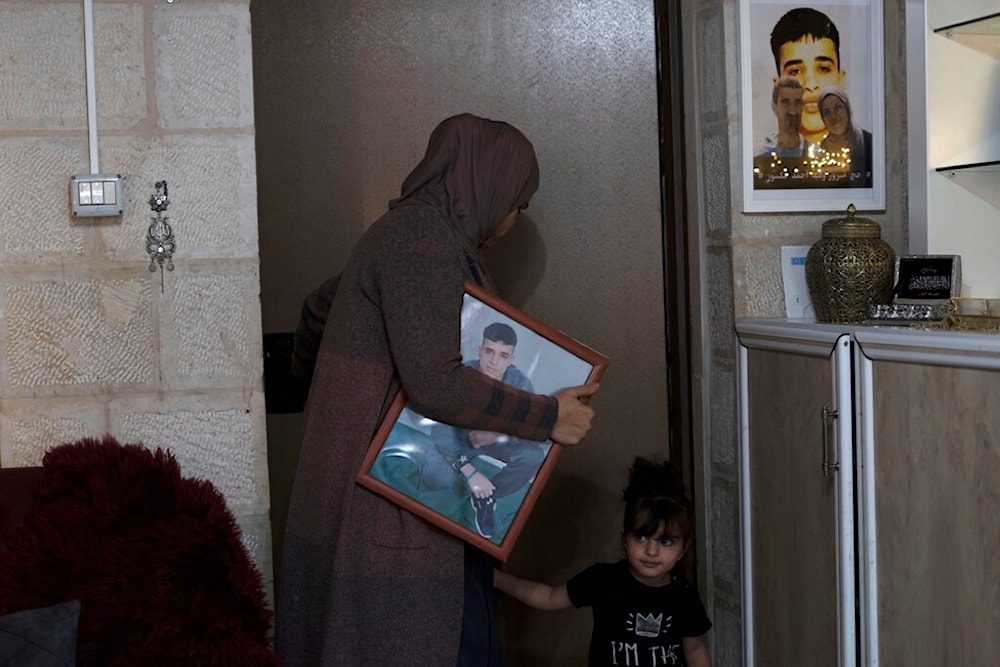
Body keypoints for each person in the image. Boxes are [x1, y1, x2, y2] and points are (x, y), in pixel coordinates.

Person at [276, 113, 601, 666]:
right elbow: (435, 382)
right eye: (518, 204)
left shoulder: (407, 235)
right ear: (486, 183)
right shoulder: (421, 239)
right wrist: (547, 417)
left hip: (394, 501)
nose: (513, 220)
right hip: (390, 512)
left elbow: (319, 306)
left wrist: (332, 400)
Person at [494, 457, 712, 667]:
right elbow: (549, 597)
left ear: (682, 549)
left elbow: (694, 649)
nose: (652, 551)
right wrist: (495, 578)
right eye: (642, 537)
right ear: (624, 538)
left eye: (665, 541)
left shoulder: (683, 594)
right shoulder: (604, 580)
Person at [421, 322, 548, 539]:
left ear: (511, 360)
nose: (494, 361)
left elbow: (534, 428)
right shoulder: (463, 375)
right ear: (480, 350)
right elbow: (439, 427)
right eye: (489, 351)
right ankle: (467, 475)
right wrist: (469, 471)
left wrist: (499, 434)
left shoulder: (520, 382)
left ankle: (487, 498)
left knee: (533, 455)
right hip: (459, 440)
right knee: (434, 480)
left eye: (503, 355)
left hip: (496, 443)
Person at [769, 7, 846, 144]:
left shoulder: (869, 152)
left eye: (823, 69)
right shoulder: (761, 161)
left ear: (841, 80)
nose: (811, 84)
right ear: (777, 87)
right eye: (795, 71)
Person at [818, 85, 872, 187]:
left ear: (847, 108)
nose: (833, 116)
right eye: (827, 112)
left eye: (838, 108)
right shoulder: (821, 151)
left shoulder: (868, 143)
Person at [756, 76, 817, 158]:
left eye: (797, 103)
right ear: (774, 107)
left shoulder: (814, 153)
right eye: (785, 103)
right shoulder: (761, 153)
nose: (792, 111)